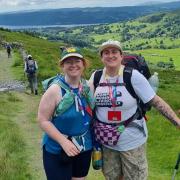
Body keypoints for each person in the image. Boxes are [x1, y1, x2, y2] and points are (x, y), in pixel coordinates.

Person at [89, 39, 180, 180]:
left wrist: (177, 122)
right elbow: (85, 103)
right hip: (106, 141)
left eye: (114, 52)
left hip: (131, 140)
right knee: (111, 177)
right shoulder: (96, 77)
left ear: (121, 56)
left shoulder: (132, 76)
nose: (110, 55)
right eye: (106, 52)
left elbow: (155, 101)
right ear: (101, 57)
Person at [38, 47, 94, 180]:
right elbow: (42, 120)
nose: (73, 65)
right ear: (62, 66)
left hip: (83, 146)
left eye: (77, 61)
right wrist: (63, 141)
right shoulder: (55, 90)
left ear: (83, 64)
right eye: (68, 62)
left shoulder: (88, 86)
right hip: (57, 149)